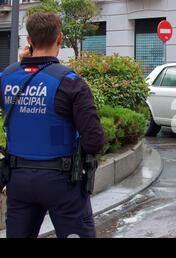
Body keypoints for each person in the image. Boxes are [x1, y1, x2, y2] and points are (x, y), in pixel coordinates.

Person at [0, 13, 104, 237]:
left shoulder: (5, 78)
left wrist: (21, 65)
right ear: (60, 39)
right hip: (62, 182)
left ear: (29, 40)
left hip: (18, 181)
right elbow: (94, 140)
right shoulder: (71, 83)